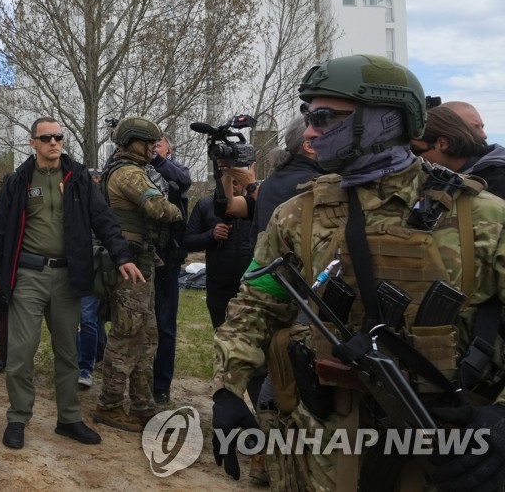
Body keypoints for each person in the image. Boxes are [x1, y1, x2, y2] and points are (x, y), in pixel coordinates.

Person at [213, 55, 505, 491]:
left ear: (387, 121)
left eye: (325, 118)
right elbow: (257, 302)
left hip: (447, 438)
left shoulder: (482, 217)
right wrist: (227, 387)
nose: (310, 131)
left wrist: (500, 419)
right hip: (325, 440)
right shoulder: (298, 214)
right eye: (308, 117)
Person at [0, 117, 144, 450]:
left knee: (68, 354)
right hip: (28, 275)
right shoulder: (18, 181)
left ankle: (68, 419)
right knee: (21, 353)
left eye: (58, 137)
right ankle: (18, 417)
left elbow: (103, 219)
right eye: (47, 138)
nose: (54, 143)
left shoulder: (79, 178)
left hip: (68, 277)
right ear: (33, 143)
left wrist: (122, 256)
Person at [94, 118, 183, 432]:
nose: (152, 149)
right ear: (133, 142)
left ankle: (143, 404)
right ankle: (110, 404)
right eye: (148, 143)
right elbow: (160, 209)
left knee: (146, 336)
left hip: (139, 263)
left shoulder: (124, 170)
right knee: (127, 334)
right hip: (129, 265)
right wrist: (177, 210)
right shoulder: (129, 173)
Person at [150, 133, 190, 405]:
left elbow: (183, 181)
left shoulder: (179, 172)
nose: (152, 149)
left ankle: (161, 384)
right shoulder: (135, 172)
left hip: (168, 259)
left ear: (169, 149)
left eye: (158, 145)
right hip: (141, 256)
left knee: (165, 325)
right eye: (149, 145)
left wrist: (155, 159)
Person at [183, 175, 254, 329]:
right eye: (227, 182)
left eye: (236, 183)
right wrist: (211, 235)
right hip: (219, 285)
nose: (232, 187)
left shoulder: (255, 206)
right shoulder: (206, 205)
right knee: (222, 333)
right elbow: (187, 242)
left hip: (251, 284)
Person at [414, 104, 505, 199]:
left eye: (415, 149)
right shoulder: (452, 177)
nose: (412, 156)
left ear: (442, 144)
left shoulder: (497, 180)